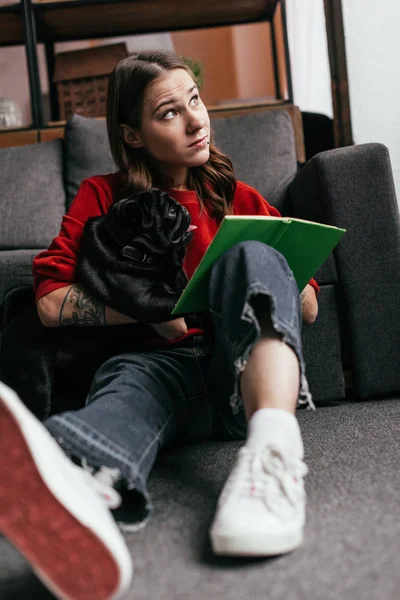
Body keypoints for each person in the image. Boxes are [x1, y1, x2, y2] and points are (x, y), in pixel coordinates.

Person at [0, 50, 319, 600]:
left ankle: (273, 456)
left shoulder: (237, 198)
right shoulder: (103, 195)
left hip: (240, 370)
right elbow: (51, 302)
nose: (196, 120)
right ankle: (86, 489)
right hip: (157, 368)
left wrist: (263, 268)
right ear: (133, 135)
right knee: (126, 387)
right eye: (170, 112)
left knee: (252, 257)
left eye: (194, 100)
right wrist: (154, 310)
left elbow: (307, 306)